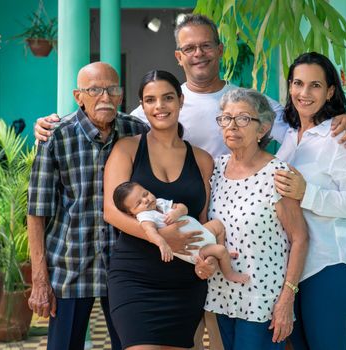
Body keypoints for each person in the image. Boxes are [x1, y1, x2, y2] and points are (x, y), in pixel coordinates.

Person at [32, 14, 346, 349]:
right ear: (178, 56)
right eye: (189, 48)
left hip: (227, 257)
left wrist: (343, 118)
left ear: (219, 50)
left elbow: (301, 124)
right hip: (174, 255)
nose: (198, 53)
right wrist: (51, 124)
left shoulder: (246, 100)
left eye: (206, 46)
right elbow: (101, 117)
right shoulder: (138, 124)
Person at [26, 62, 150, 350]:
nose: (105, 97)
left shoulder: (138, 132)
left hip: (124, 266)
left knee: (131, 345)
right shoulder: (55, 136)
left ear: (121, 95)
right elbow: (37, 212)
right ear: (78, 95)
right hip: (70, 267)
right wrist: (40, 280)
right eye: (94, 90)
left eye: (112, 89)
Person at [103, 69, 215, 349]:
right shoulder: (126, 149)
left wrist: (208, 260)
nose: (159, 106)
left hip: (187, 282)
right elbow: (111, 212)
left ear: (180, 100)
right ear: (142, 105)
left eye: (167, 98)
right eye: (150, 100)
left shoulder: (202, 159)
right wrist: (163, 238)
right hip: (136, 278)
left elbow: (203, 222)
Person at [273, 52, 346, 350]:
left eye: (315, 85)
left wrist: (307, 193)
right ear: (289, 87)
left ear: (330, 91)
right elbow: (241, 103)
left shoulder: (338, 138)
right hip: (294, 267)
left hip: (329, 266)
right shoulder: (289, 135)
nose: (304, 93)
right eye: (298, 83)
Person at [204, 87, 309, 350]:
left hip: (263, 298)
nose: (232, 126)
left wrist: (287, 297)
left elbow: (299, 238)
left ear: (262, 129)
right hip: (223, 292)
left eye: (243, 119)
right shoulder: (216, 169)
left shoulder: (279, 174)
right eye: (226, 118)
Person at [113, 181, 250, 283]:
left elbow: (183, 208)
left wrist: (177, 212)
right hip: (195, 248)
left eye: (145, 194)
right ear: (132, 214)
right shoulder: (145, 217)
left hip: (201, 232)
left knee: (217, 225)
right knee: (220, 250)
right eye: (139, 203)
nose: (146, 200)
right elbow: (151, 233)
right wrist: (162, 244)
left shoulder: (160, 203)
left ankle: (222, 256)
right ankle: (229, 273)